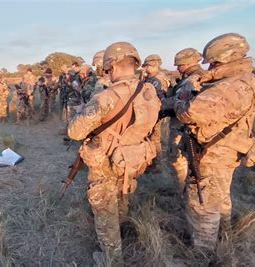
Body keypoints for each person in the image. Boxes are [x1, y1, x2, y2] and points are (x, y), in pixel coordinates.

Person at [68, 42, 160, 265]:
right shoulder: (148, 91)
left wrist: (80, 114)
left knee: (105, 209)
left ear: (112, 67)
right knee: (123, 195)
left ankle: (111, 258)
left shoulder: (106, 97)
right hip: (133, 157)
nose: (107, 74)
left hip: (107, 160)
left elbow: (75, 132)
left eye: (107, 70)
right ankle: (123, 231)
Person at [171, 33, 255, 253]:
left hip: (215, 151)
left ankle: (202, 252)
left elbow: (191, 113)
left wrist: (179, 103)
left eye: (214, 62)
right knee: (220, 196)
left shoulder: (231, 86)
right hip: (226, 148)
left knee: (203, 205)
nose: (210, 66)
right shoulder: (244, 79)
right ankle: (225, 237)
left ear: (225, 58)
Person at [162, 48, 206, 190]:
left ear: (187, 64)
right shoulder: (202, 76)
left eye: (179, 65)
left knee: (177, 159)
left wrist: (160, 104)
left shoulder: (191, 80)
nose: (178, 69)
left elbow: (179, 101)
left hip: (183, 127)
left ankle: (182, 190)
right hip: (192, 127)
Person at [142, 54, 171, 159]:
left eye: (147, 66)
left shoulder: (158, 79)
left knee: (154, 137)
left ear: (155, 65)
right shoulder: (149, 78)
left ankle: (157, 161)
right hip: (148, 112)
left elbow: (160, 99)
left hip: (156, 113)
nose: (145, 68)